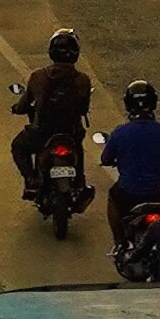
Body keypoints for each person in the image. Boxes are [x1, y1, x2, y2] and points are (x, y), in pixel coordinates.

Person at [98, 80, 160, 243]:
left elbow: (105, 159)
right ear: (154, 103)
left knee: (113, 196)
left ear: (127, 104)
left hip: (129, 194)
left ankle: (119, 243)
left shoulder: (120, 133)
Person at [13, 25, 97, 197]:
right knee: (78, 146)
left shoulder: (38, 77)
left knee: (19, 146)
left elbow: (24, 104)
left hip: (42, 133)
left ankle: (31, 179)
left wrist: (17, 109)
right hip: (71, 131)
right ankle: (80, 181)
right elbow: (84, 108)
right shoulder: (83, 80)